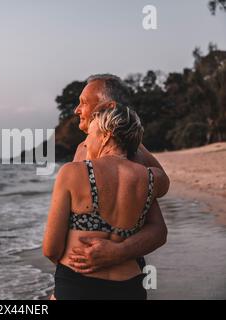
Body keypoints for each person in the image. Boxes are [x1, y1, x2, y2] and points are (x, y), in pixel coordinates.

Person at [43, 105, 168, 299]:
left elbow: (51, 249)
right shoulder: (152, 178)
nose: (85, 144)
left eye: (90, 134)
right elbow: (164, 187)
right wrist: (131, 137)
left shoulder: (72, 172)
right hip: (129, 286)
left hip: (78, 281)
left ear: (106, 135)